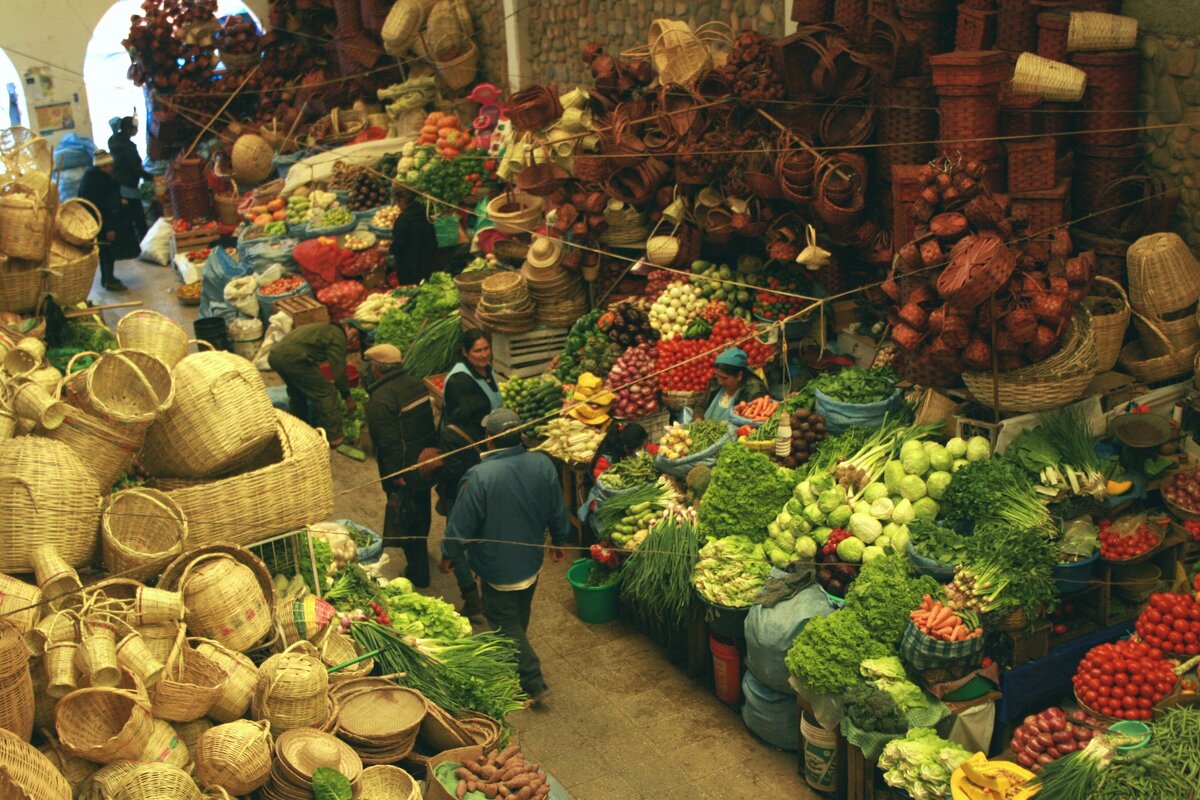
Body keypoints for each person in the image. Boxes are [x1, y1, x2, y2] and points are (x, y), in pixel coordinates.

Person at [440, 408, 571, 703]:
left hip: (496, 568)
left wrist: (448, 554)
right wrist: (560, 540)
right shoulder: (542, 463)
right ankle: (513, 661)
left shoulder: (479, 476)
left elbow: (461, 524)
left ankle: (532, 679)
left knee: (504, 622)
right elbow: (557, 508)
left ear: (488, 440)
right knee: (519, 614)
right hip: (531, 562)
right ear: (521, 436)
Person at [362, 343, 438, 588]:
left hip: (404, 470)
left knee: (408, 518)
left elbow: (388, 442)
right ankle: (419, 551)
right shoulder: (416, 384)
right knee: (422, 511)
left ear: (378, 369)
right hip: (424, 464)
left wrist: (396, 474)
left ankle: (419, 573)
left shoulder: (380, 398)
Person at [438, 328, 501, 615]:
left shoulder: (486, 371)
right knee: (458, 532)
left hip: (481, 462)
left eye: (486, 348)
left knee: (478, 530)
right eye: (477, 350)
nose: (484, 354)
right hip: (463, 469)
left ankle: (481, 589)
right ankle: (470, 595)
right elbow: (469, 414)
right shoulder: (460, 382)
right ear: (464, 352)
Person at [267, 322, 358, 445]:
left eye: (357, 338)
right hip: (293, 359)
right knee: (326, 392)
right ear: (346, 326)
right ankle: (335, 438)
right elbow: (339, 371)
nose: (353, 339)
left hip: (275, 356)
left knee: (297, 392)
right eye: (354, 334)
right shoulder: (337, 335)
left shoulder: (322, 328)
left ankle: (298, 427)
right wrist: (347, 396)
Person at [77, 150, 135, 291]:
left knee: (105, 250)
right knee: (108, 250)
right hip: (102, 221)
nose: (111, 168)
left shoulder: (91, 176)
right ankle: (109, 280)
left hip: (96, 220)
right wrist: (108, 228)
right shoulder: (98, 180)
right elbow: (103, 206)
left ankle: (107, 278)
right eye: (109, 166)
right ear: (102, 167)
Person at [108, 116, 151, 243]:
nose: (137, 130)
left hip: (117, 186)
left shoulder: (114, 142)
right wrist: (153, 178)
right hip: (128, 188)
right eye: (135, 128)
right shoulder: (128, 148)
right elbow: (136, 170)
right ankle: (143, 246)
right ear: (129, 129)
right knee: (139, 220)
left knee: (126, 219)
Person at [700, 347, 769, 424]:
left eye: (724, 378)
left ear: (739, 375)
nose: (720, 382)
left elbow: (754, 421)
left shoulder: (754, 390)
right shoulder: (715, 382)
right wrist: (698, 422)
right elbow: (700, 406)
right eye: (717, 376)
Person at [389, 189, 439, 286]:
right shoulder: (424, 211)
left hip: (411, 264)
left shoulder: (403, 221)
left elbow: (398, 246)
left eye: (397, 202)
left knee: (413, 287)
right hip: (428, 257)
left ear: (402, 201)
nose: (397, 205)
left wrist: (388, 249)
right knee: (426, 282)